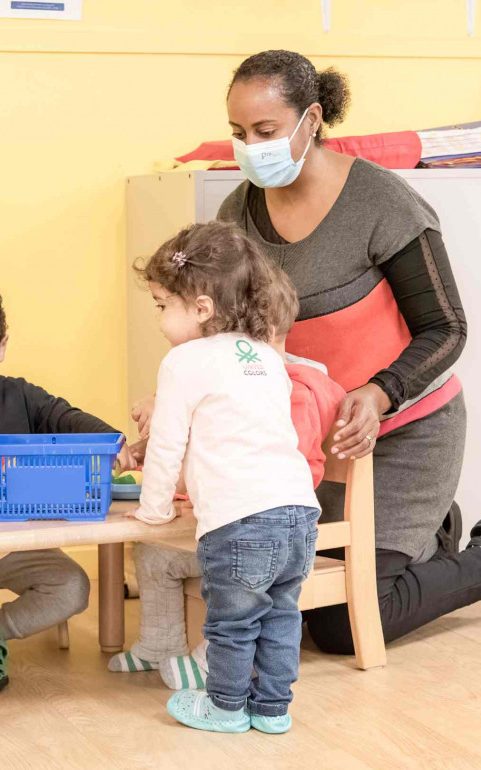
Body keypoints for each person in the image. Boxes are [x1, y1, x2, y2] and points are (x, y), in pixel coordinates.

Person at [216, 50, 481, 656]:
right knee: (287, 595)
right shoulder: (239, 213)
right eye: (238, 134)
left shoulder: (380, 202)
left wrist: (379, 393)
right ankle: (432, 541)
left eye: (265, 132)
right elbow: (232, 337)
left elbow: (446, 329)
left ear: (311, 119)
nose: (250, 148)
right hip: (319, 444)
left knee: (341, 625)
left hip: (408, 432)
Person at [111, 265, 346, 690]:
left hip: (249, 526)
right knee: (162, 560)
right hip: (290, 526)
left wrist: (159, 502)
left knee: (234, 618)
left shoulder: (289, 386)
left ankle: (220, 694)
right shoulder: (260, 375)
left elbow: (262, 461)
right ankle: (266, 704)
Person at [132, 220, 321, 735]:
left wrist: (154, 510)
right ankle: (272, 710)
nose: (159, 319)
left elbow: (168, 444)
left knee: (233, 624)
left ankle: (225, 707)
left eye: (161, 305)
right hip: (300, 513)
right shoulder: (265, 356)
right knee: (281, 616)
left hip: (241, 522)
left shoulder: (183, 360)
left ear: (200, 308)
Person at [0, 271, 134, 693]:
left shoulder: (20, 396)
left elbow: (65, 417)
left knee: (73, 587)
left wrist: (113, 439)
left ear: (1, 348)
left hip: (16, 545)